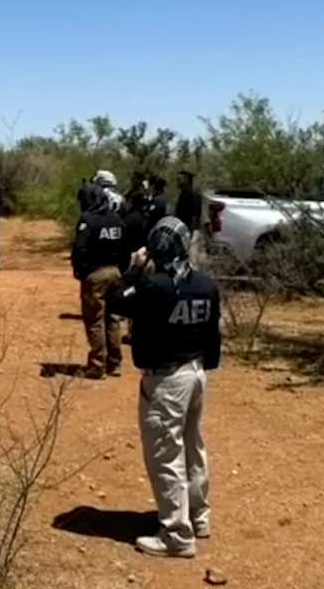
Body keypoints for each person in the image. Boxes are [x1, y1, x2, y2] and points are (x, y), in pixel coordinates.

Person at [108, 216, 221, 559]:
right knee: (192, 447)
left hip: (167, 380)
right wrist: (205, 367)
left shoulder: (154, 285)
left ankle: (175, 534)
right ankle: (198, 517)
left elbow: (115, 300)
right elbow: (213, 336)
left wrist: (135, 268)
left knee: (166, 454)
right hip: (196, 373)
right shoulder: (205, 284)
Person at [71, 184, 130, 379]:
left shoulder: (88, 220)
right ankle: (115, 363)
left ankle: (97, 364)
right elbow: (125, 249)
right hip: (115, 273)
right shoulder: (117, 220)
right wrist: (121, 269)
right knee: (112, 318)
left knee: (95, 320)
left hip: (96, 275)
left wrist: (81, 271)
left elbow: (80, 249)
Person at [174, 171, 206, 268]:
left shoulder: (194, 194)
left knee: (192, 252)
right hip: (182, 227)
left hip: (190, 228)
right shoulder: (183, 194)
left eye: (180, 179)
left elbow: (195, 214)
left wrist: (193, 232)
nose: (178, 181)